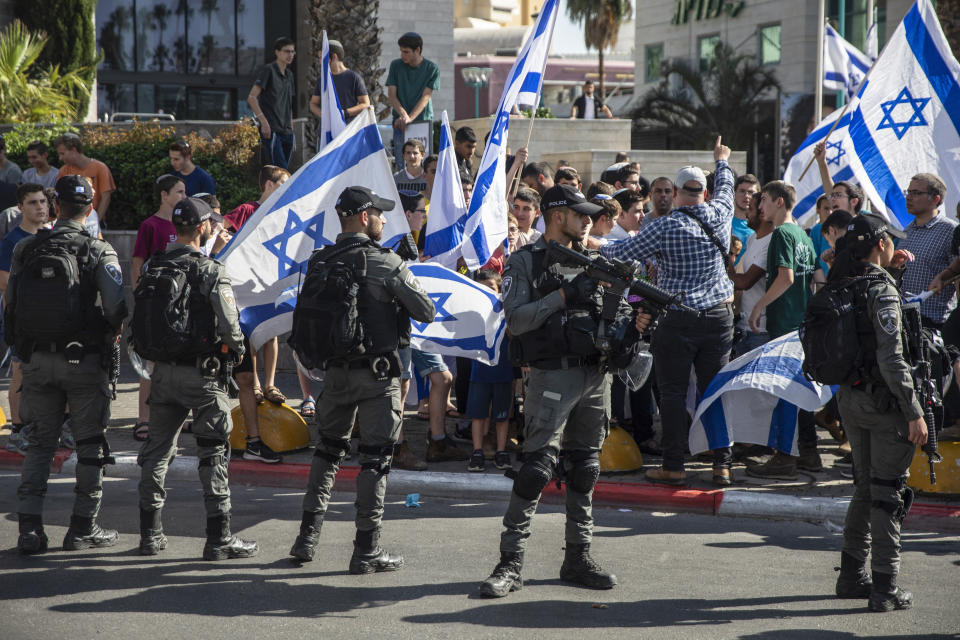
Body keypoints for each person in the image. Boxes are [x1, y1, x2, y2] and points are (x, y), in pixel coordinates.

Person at [479, 183, 651, 598]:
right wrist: (563, 295)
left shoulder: (598, 261)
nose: (589, 220)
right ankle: (510, 562)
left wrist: (635, 326)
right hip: (551, 377)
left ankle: (578, 557)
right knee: (536, 469)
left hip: (596, 377)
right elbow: (517, 320)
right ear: (558, 216)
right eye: (581, 213)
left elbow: (619, 314)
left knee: (586, 467)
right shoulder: (525, 262)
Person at [289, 185, 435, 571]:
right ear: (364, 216)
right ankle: (366, 551)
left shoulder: (320, 260)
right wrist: (402, 271)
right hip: (378, 377)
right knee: (375, 461)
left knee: (327, 454)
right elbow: (426, 311)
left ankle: (306, 540)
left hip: (334, 376)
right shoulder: (385, 261)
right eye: (380, 214)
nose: (385, 220)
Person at [601, 137, 735, 486]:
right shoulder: (721, 214)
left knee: (673, 393)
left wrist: (590, 243)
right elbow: (727, 185)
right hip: (719, 316)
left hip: (678, 317)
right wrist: (721, 160)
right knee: (714, 390)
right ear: (703, 193)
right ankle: (723, 464)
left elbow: (622, 251)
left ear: (675, 192)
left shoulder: (663, 226)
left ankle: (674, 465)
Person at [7, 175, 127, 554]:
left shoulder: (26, 248)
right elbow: (115, 309)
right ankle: (82, 528)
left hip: (38, 362)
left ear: (55, 206)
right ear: (91, 207)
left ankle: (29, 529)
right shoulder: (98, 250)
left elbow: (11, 305)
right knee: (90, 443)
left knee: (40, 444)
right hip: (85, 362)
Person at [134, 197, 257, 560]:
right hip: (204, 378)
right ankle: (219, 538)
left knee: (156, 453)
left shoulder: (156, 264)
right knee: (214, 454)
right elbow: (232, 329)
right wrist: (235, 354)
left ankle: (150, 536)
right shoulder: (210, 270)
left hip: (162, 375)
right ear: (202, 228)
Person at [828, 213, 925, 612]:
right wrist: (913, 409)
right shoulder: (880, 290)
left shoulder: (845, 280)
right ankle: (885, 589)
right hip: (884, 404)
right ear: (881, 244)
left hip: (850, 399)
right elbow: (891, 356)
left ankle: (852, 576)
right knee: (887, 494)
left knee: (866, 488)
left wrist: (894, 275)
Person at [746, 181, 820, 479]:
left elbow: (786, 278)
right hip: (801, 324)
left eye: (762, 200)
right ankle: (806, 453)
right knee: (798, 392)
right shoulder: (802, 234)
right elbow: (817, 277)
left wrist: (758, 305)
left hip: (784, 325)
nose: (758, 206)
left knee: (784, 393)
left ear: (778, 202)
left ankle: (784, 457)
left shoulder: (780, 234)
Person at [130, 174, 185, 442]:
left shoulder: (184, 224)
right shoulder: (150, 226)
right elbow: (137, 264)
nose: (184, 197)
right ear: (164, 195)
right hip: (155, 303)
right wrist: (140, 298)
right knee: (149, 364)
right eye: (179, 192)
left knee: (177, 362)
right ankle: (143, 418)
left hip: (178, 306)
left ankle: (177, 417)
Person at [0, 184, 48, 454]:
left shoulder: (51, 235)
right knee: (20, 373)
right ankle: (17, 430)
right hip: (22, 319)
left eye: (43, 201)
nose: (40, 207)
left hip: (50, 320)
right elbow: (4, 280)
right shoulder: (13, 240)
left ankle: (54, 427)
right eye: (32, 203)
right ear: (20, 208)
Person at [467, 269, 513, 472]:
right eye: (481, 288)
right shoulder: (473, 312)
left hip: (504, 369)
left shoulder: (508, 309)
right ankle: (477, 451)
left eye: (491, 288)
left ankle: (501, 451)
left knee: (502, 414)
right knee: (478, 414)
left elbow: (514, 334)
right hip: (480, 370)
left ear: (500, 289)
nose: (486, 292)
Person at [899, 173, 956, 329]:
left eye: (916, 193)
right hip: (904, 321)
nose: (908, 197)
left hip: (933, 325)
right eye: (908, 192)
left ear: (935, 199)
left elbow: (957, 275)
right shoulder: (907, 232)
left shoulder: (950, 231)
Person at [728, 188, 774, 357]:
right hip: (743, 327)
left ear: (762, 213)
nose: (747, 213)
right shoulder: (752, 238)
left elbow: (744, 282)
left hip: (760, 330)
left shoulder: (772, 241)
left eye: (751, 209)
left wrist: (725, 257)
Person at [386, 32, 440, 165]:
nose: (402, 55)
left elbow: (425, 97)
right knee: (402, 164)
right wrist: (404, 116)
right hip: (400, 123)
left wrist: (409, 118)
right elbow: (392, 96)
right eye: (401, 51)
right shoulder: (396, 65)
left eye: (406, 52)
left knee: (424, 165)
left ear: (418, 50)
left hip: (422, 123)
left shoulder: (432, 68)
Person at [248, 37, 296, 169]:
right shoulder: (268, 70)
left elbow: (289, 103)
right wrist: (264, 123)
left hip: (287, 132)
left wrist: (291, 129)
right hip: (272, 130)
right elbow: (252, 98)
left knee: (284, 173)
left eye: (292, 52)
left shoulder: (289, 75)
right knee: (280, 172)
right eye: (287, 51)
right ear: (277, 52)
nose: (290, 55)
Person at [308, 38, 370, 131]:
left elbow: (365, 104)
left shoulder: (354, 77)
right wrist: (325, 116)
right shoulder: (322, 79)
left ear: (334, 57)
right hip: (327, 132)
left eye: (322, 57)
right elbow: (313, 104)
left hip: (349, 131)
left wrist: (345, 113)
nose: (320, 61)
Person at [54, 134, 116, 225]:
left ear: (74, 150)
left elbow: (105, 197)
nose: (60, 158)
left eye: (62, 153)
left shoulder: (100, 168)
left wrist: (96, 221)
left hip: (93, 220)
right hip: (70, 222)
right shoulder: (64, 170)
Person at [731, 174, 760, 265]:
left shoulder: (763, 225)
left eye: (751, 192)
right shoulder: (725, 222)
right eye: (742, 191)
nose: (746, 196)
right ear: (734, 193)